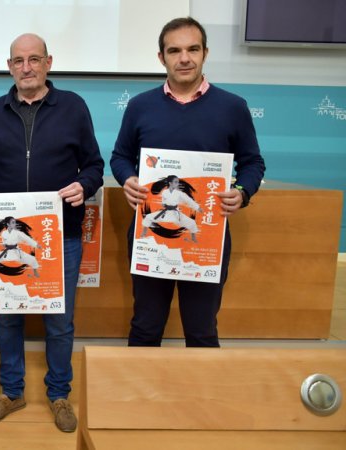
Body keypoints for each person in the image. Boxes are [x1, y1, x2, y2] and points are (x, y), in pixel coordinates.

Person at [0, 33, 104, 433]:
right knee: (8, 318)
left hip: (61, 236)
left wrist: (85, 185)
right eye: (19, 61)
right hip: (3, 237)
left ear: (48, 63)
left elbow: (94, 166)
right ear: (9, 66)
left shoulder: (73, 107)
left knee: (59, 322)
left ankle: (59, 394)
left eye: (34, 59)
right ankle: (11, 392)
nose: (26, 67)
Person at [109, 17, 266, 348]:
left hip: (207, 236)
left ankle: (202, 386)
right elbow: (120, 157)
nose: (184, 58)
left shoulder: (232, 107)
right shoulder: (140, 106)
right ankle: (141, 384)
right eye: (174, 51)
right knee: (146, 326)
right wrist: (128, 179)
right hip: (150, 238)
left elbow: (253, 163)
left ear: (205, 53)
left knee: (202, 330)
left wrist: (242, 192)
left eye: (193, 49)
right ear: (161, 57)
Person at [139, 175, 203, 243]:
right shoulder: (164, 192)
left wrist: (198, 208)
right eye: (176, 182)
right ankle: (143, 234)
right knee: (148, 217)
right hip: (165, 213)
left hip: (175, 214)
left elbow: (189, 200)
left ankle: (193, 238)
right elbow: (163, 202)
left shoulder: (179, 193)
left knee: (192, 222)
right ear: (170, 183)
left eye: (178, 182)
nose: (177, 183)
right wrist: (164, 204)